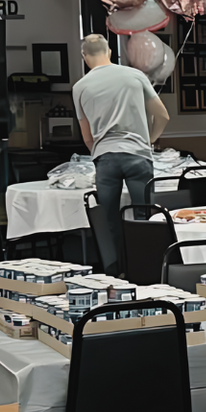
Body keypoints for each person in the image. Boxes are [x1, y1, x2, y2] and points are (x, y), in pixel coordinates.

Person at [71, 33, 168, 276]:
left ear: (84, 57)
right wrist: (150, 140)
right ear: (110, 52)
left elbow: (86, 136)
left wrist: (99, 152)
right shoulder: (135, 75)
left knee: (110, 221)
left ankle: (117, 273)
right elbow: (163, 115)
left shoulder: (80, 87)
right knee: (144, 218)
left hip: (106, 158)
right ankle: (148, 271)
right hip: (138, 155)